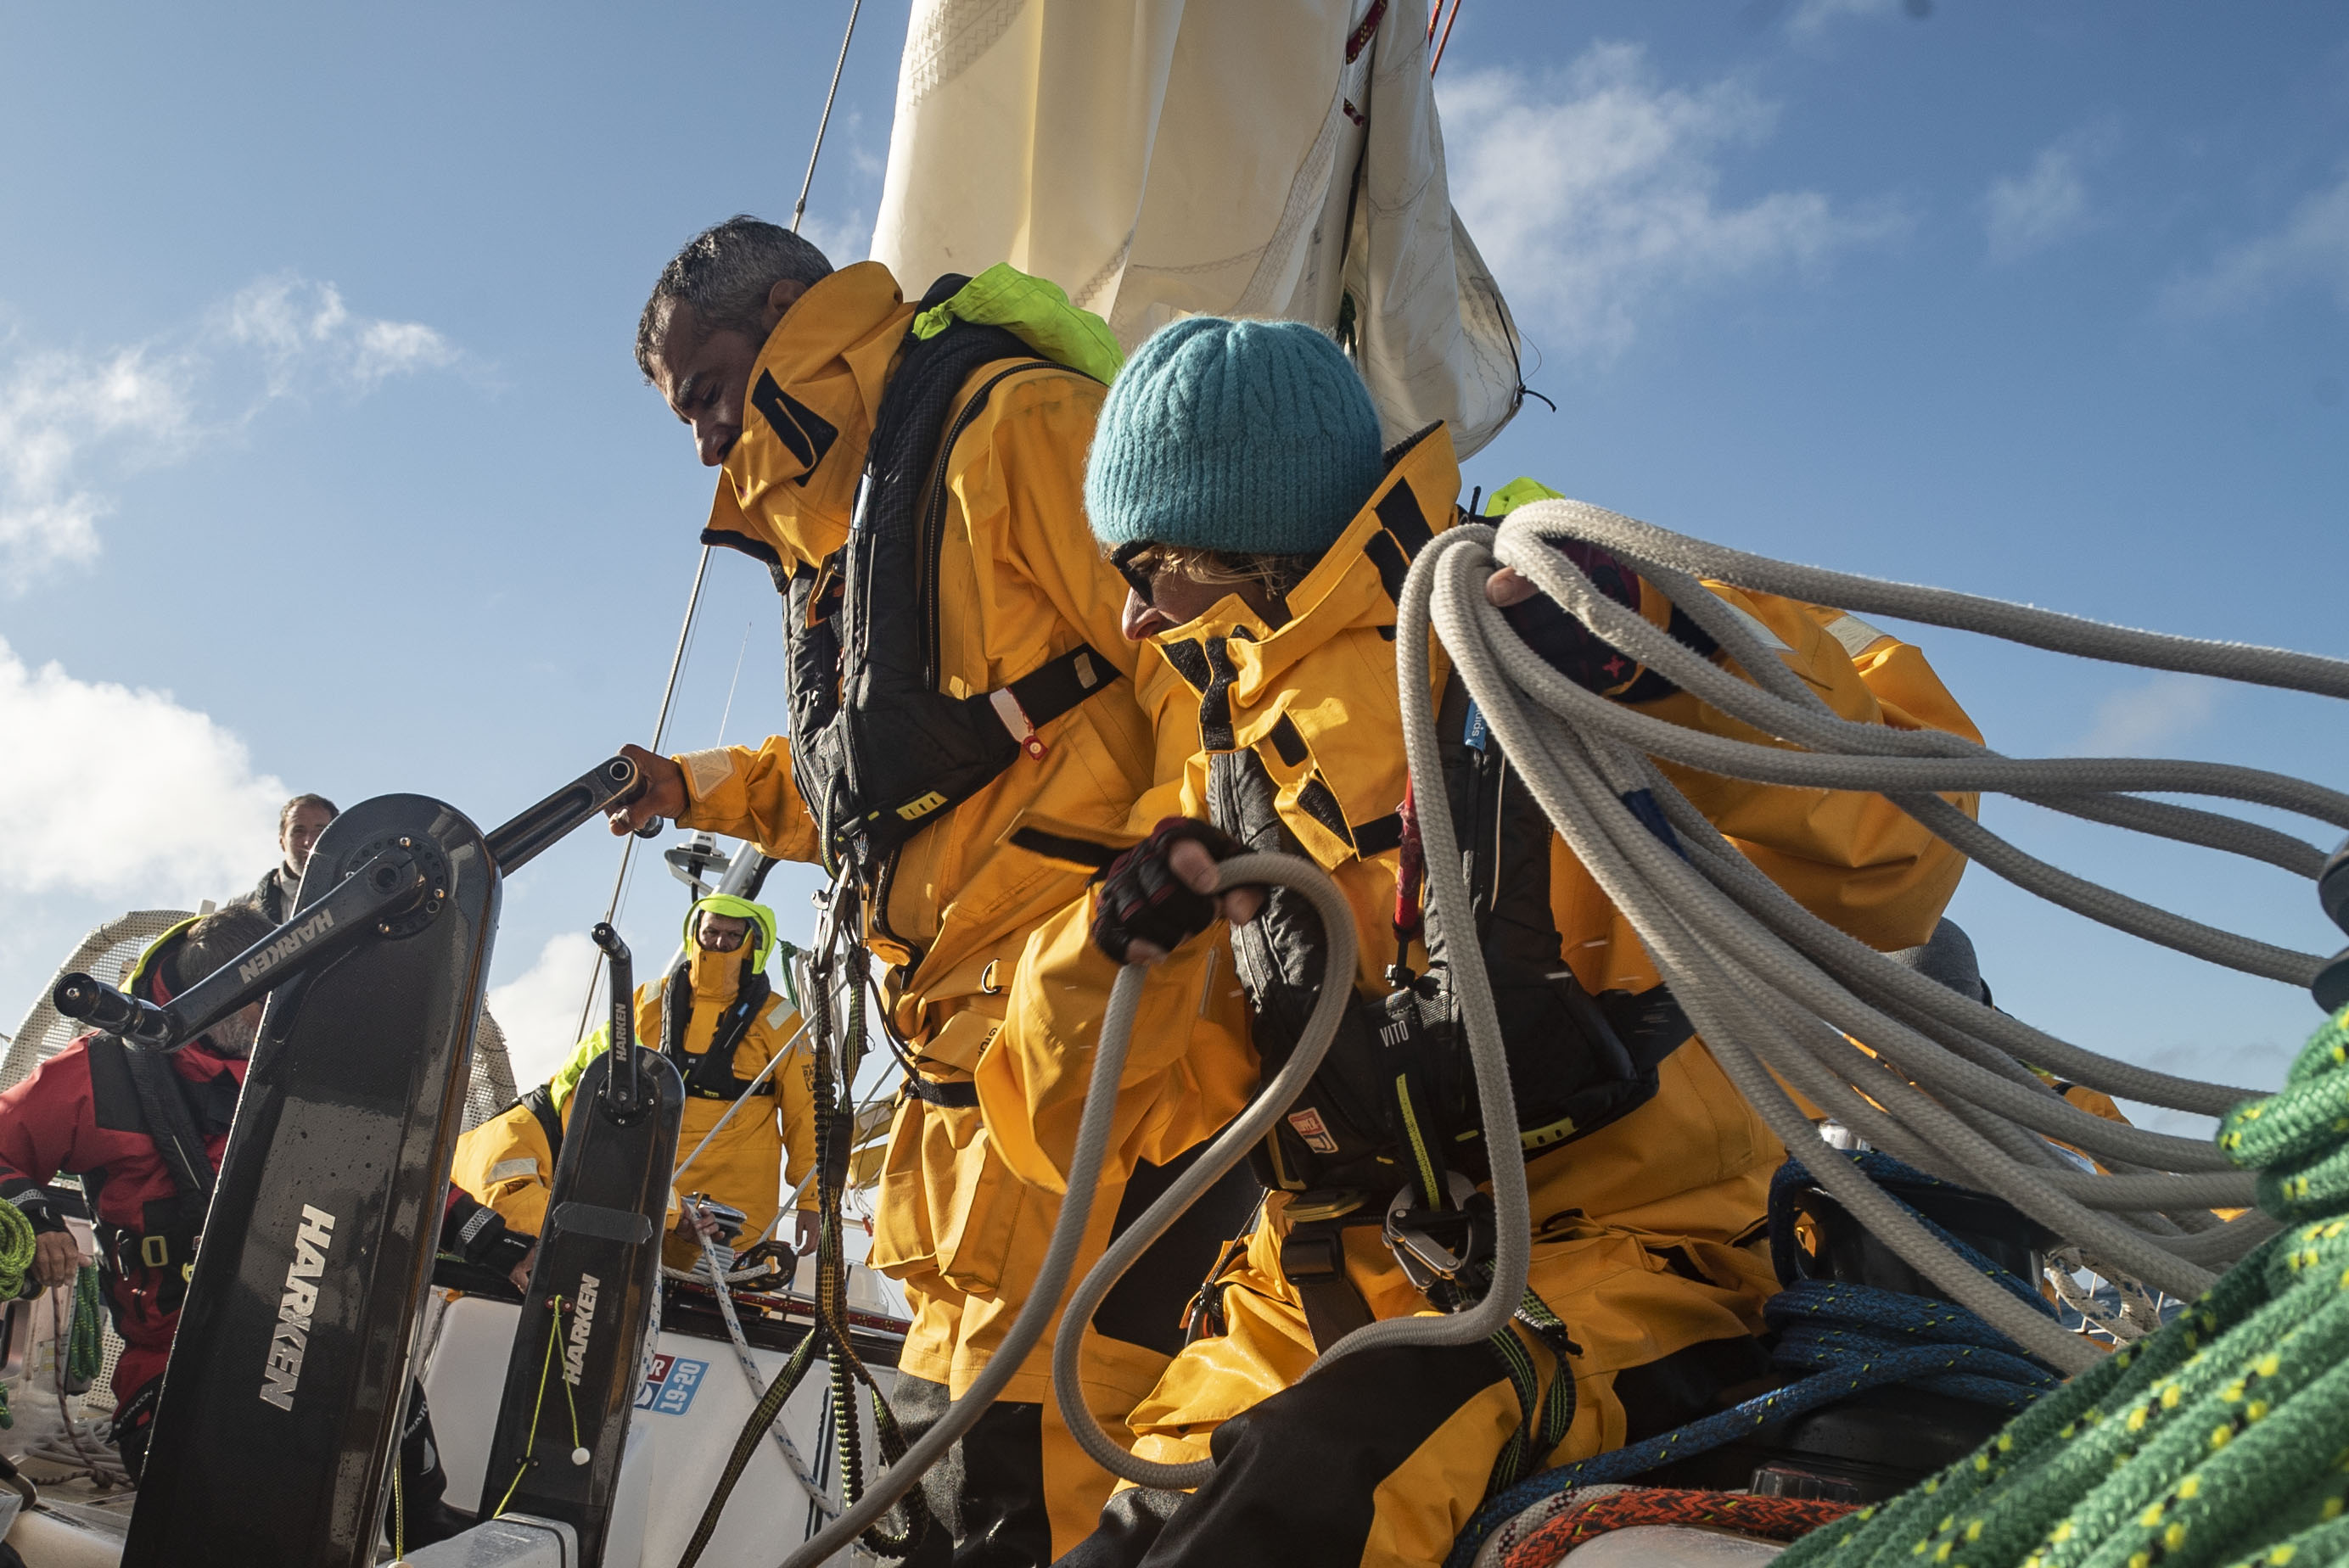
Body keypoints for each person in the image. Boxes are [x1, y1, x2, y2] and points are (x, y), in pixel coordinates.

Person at [973, 318, 1985, 1568]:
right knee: (1133, 1544)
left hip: (1621, 1280)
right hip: (1314, 1302)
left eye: (1148, 566)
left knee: (1325, 1481)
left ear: (1241, 543)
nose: (1129, 617)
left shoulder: (1588, 618)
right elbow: (1054, 1136)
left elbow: (1905, 861)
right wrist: (1113, 949)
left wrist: (1668, 665)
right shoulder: (1221, 779)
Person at [606, 216, 1256, 1566]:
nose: (708, 444)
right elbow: (880, 782)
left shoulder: (1015, 425)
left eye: (711, 393)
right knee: (943, 1499)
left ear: (794, 311)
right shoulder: (842, 536)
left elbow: (1211, 666)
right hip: (963, 1114)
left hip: (1099, 1071)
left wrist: (1166, 879)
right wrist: (697, 787)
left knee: (1050, 1494)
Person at [452, 894, 821, 1269]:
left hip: (734, 1197)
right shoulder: (649, 1000)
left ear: (754, 942)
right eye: (711, 932)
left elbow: (805, 1117)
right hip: (655, 1182)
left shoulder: (782, 1023)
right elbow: (589, 1063)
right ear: (695, 933)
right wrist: (674, 1212)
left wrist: (811, 1200)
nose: (720, 943)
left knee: (728, 1294)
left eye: (732, 935)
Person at [233, 794, 337, 922]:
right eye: (299, 831)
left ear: (338, 838)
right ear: (282, 841)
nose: (309, 842)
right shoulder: (241, 912)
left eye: (320, 831)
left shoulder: (362, 894)